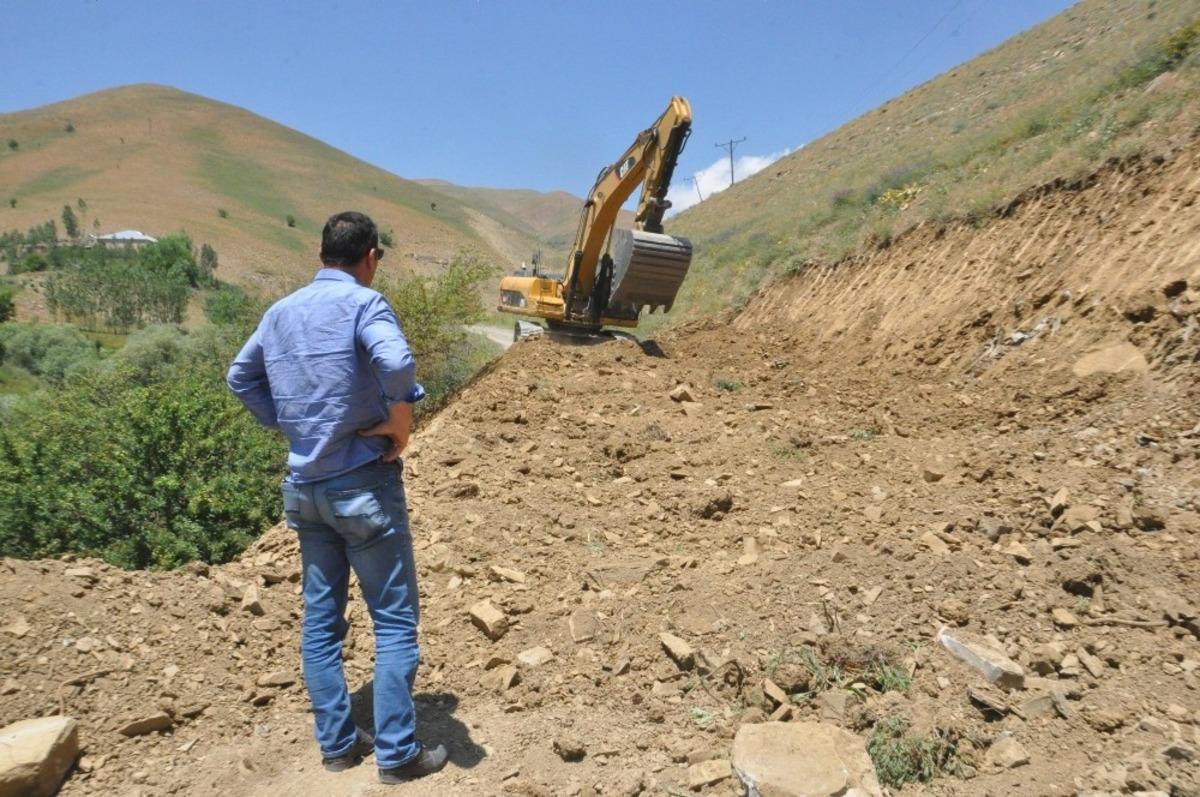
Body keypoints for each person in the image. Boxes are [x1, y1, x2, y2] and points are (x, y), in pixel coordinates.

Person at [226, 211, 447, 783]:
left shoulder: (279, 313)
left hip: (305, 491)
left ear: (321, 253)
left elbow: (239, 376)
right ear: (370, 256)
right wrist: (401, 423)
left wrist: (294, 425)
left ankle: (340, 744)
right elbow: (396, 361)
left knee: (321, 624)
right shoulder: (364, 305)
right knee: (394, 623)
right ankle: (398, 755)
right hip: (362, 486)